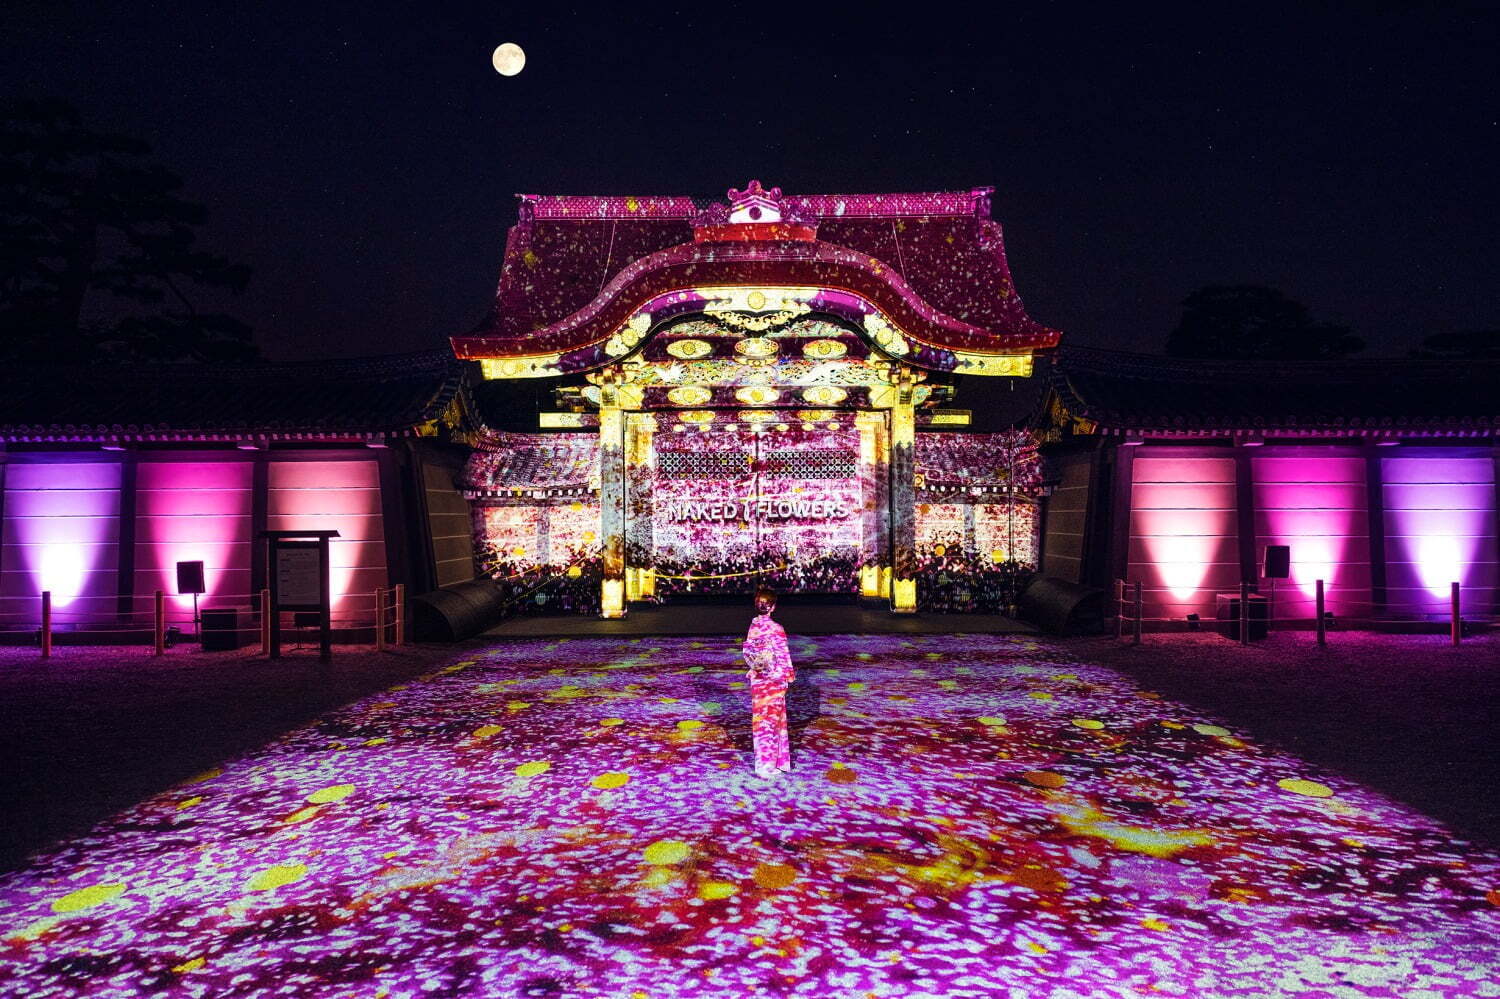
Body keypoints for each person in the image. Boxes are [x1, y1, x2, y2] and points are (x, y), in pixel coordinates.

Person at [743, 587, 794, 778]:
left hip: (758, 679)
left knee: (763, 722)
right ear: (772, 607)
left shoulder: (753, 626)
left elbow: (749, 654)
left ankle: (775, 762)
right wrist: (787, 677)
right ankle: (768, 766)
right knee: (772, 723)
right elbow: (783, 656)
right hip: (773, 681)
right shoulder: (776, 629)